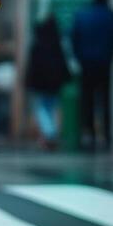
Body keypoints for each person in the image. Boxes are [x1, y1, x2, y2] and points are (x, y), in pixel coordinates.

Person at [69, 0, 113, 151]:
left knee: (86, 99)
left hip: (86, 64)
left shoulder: (82, 16)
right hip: (105, 63)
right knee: (105, 100)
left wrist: (79, 56)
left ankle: (88, 132)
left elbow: (74, 38)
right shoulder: (112, 16)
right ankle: (107, 134)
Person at [24, 15, 72, 149]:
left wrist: (28, 81)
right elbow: (63, 64)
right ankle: (50, 133)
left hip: (41, 84)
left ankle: (49, 133)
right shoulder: (57, 45)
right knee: (51, 109)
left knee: (42, 109)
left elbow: (32, 66)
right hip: (54, 84)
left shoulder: (38, 44)